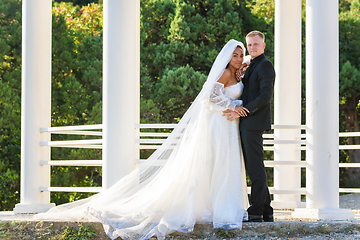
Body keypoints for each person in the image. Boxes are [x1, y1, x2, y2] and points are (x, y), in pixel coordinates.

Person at [36, 39, 251, 240]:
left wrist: (236, 104)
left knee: (226, 166)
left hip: (229, 127)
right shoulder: (224, 73)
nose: (239, 59)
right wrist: (233, 106)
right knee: (219, 164)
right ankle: (221, 210)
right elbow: (209, 96)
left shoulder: (237, 74)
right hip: (219, 126)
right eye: (235, 55)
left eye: (241, 55)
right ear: (227, 57)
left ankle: (224, 208)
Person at [224, 31, 275, 222]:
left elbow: (265, 96)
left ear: (263, 46)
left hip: (253, 122)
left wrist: (242, 110)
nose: (252, 47)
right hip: (247, 122)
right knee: (255, 166)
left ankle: (255, 211)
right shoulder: (252, 65)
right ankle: (266, 210)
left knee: (255, 168)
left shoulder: (265, 65)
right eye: (250, 45)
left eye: (256, 44)